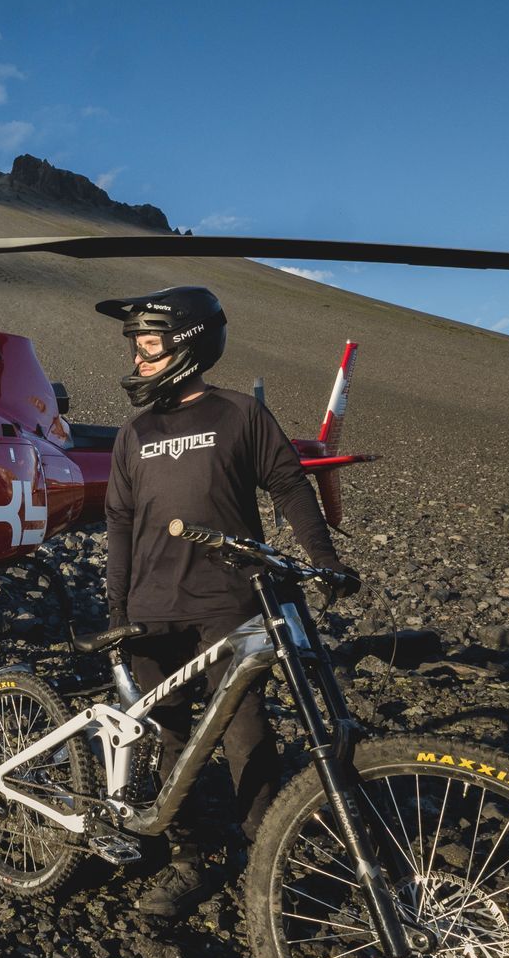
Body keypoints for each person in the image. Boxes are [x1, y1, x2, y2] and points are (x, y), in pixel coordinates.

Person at [100, 285, 359, 918]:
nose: (139, 358)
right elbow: (120, 524)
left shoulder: (240, 414)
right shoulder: (136, 431)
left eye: (150, 344)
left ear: (189, 343)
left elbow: (290, 488)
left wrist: (323, 561)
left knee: (247, 735)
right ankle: (188, 857)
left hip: (230, 603)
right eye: (135, 346)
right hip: (153, 607)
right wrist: (116, 611)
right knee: (171, 734)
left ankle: (266, 854)